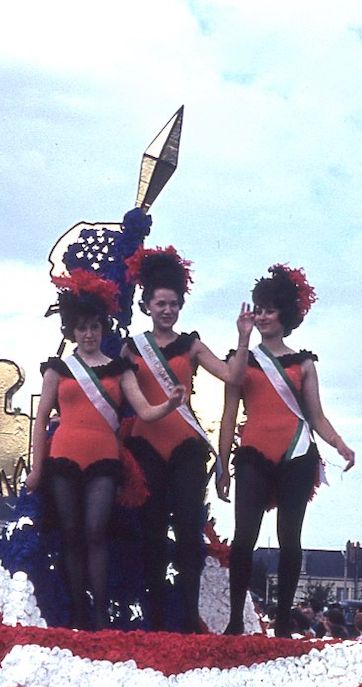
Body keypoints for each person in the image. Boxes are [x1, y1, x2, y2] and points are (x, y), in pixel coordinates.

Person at [26, 270, 186, 630]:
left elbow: (145, 410)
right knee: (71, 533)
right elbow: (40, 422)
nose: (88, 334)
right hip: (63, 458)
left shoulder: (119, 369)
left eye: (95, 327)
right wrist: (36, 469)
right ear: (72, 330)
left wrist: (170, 405)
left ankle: (98, 614)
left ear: (103, 329)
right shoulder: (58, 370)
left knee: (96, 531)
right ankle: (77, 614)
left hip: (104, 460)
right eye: (81, 328)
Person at [217, 264, 355, 637]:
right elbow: (230, 414)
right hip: (252, 454)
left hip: (296, 453)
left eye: (269, 309)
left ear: (286, 315)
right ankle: (235, 620)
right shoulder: (240, 359)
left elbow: (317, 416)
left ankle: (281, 621)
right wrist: (219, 462)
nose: (261, 315)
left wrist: (340, 445)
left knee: (289, 538)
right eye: (258, 309)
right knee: (244, 536)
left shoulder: (304, 363)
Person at [122, 246, 251, 632]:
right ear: (147, 306)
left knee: (188, 530)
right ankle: (157, 616)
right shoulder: (132, 348)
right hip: (145, 446)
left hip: (185, 449)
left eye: (174, 304)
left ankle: (189, 616)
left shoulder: (191, 345)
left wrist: (243, 337)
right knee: (152, 533)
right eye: (160, 303)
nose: (167, 310)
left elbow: (232, 376)